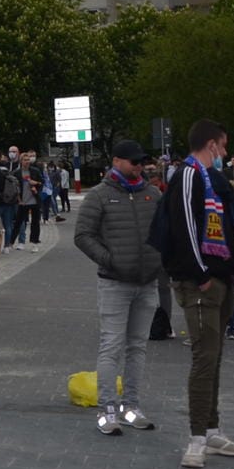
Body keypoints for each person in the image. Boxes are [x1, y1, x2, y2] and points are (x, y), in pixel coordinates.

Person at [160, 119, 234, 469]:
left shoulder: (209, 177)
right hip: (202, 282)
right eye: (224, 146)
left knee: (214, 356)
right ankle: (197, 437)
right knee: (203, 358)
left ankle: (211, 428)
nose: (226, 154)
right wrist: (201, 276)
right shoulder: (187, 175)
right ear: (211, 145)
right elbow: (184, 226)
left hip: (221, 278)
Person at [73, 140, 163, 436]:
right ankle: (107, 409)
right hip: (114, 283)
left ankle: (131, 405)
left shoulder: (152, 194)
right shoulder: (100, 195)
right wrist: (110, 260)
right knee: (111, 346)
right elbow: (83, 235)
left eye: (141, 162)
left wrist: (159, 262)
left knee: (137, 346)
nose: (139, 166)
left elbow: (164, 232)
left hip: (147, 282)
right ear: (116, 161)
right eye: (133, 161)